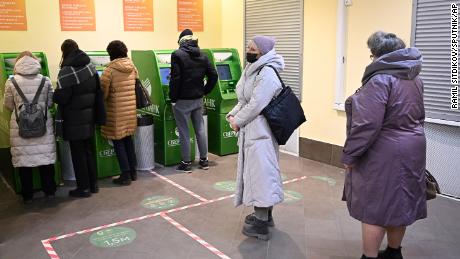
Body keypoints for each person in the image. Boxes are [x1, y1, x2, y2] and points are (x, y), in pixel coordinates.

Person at [341, 31, 427, 259]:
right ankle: (393, 252)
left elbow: (367, 125)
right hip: (413, 146)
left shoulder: (379, 80)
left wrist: (350, 156)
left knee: (375, 208)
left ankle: (368, 256)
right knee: (400, 201)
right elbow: (419, 115)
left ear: (378, 55)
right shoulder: (415, 78)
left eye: (372, 55)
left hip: (384, 151)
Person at [227, 36, 284, 241]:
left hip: (262, 131)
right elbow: (244, 99)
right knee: (256, 172)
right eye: (248, 47)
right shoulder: (253, 68)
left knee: (261, 175)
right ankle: (264, 216)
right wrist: (233, 114)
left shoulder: (267, 72)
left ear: (262, 51)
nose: (248, 50)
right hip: (252, 128)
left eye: (252, 48)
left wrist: (237, 121)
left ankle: (261, 224)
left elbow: (257, 103)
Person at [3, 51, 56, 203]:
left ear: (17, 64)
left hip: (21, 126)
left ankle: (28, 195)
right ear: (36, 62)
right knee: (45, 160)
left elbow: (8, 105)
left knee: (24, 162)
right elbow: (50, 102)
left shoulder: (11, 82)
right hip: (43, 125)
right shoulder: (45, 80)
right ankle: (50, 191)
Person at [54, 39, 100, 198]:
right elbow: (97, 92)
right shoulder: (91, 67)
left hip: (73, 120)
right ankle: (93, 184)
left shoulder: (66, 71)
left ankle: (83, 188)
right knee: (88, 152)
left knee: (78, 154)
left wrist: (55, 94)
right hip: (89, 118)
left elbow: (62, 98)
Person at [169, 29, 218, 173]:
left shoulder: (177, 55)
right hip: (198, 98)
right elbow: (213, 75)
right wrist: (204, 91)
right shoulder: (203, 55)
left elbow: (175, 79)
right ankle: (204, 160)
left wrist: (173, 98)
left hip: (182, 100)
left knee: (184, 131)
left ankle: (186, 163)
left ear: (181, 41)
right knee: (200, 129)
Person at [100, 40, 137, 185]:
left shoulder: (109, 70)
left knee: (118, 142)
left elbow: (103, 93)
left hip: (116, 112)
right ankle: (133, 172)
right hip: (130, 111)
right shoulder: (132, 67)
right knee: (128, 140)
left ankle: (125, 175)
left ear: (111, 54)